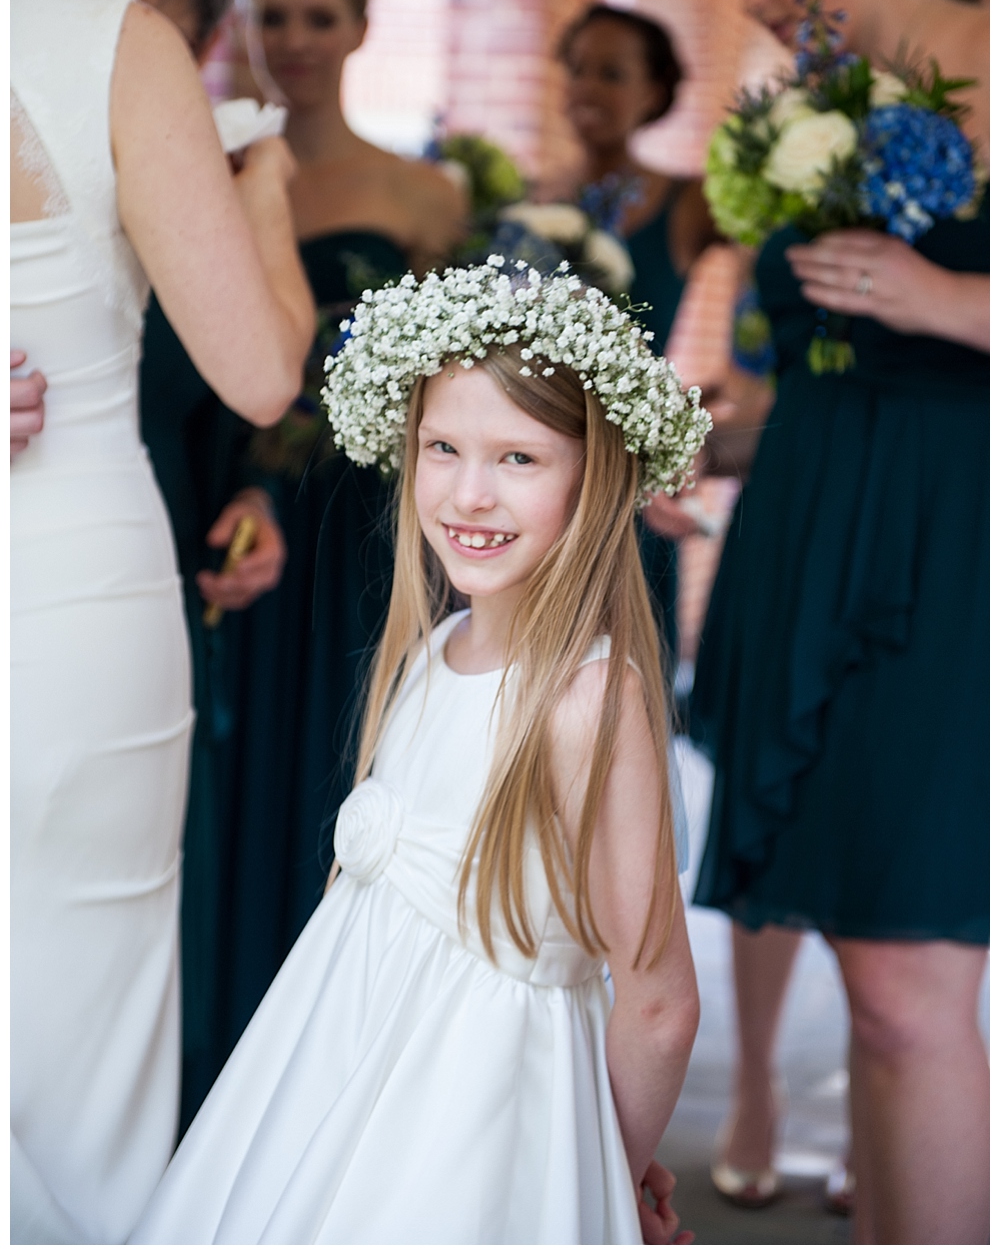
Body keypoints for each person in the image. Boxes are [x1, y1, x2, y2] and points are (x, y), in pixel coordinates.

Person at [132, 257, 704, 1243]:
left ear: (595, 472)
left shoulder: (582, 703)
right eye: (442, 447)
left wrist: (600, 1168)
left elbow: (657, 1003)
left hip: (482, 1140)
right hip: (333, 1080)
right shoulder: (435, 649)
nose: (469, 494)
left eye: (519, 460)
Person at [11, 0, 314, 1243]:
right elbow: (261, 369)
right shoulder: (114, 47)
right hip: (78, 598)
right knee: (95, 1037)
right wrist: (257, 199)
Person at [688, 0, 988, 1243]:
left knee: (909, 984)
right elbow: (810, 354)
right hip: (806, 534)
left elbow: (913, 321)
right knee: (871, 991)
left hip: (942, 551)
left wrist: (951, 306)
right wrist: (682, 443)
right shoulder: (817, 105)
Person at [206, 0, 467, 1064]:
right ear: (244, 26)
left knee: (342, 773)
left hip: (360, 528)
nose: (297, 40)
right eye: (275, 16)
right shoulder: (200, 169)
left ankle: (336, 1061)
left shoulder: (424, 198)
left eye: (320, 15)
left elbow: (446, 391)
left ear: (361, 25)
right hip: (226, 507)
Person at [61, 0, 291, 1132]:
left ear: (194, 39)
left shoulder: (233, 168)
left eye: (141, 24)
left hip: (172, 542)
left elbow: (265, 388)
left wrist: (254, 500)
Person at [543, 3, 721, 656]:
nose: (588, 88)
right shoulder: (528, 201)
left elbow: (775, 272)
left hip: (628, 481)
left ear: (652, 93)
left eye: (612, 74)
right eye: (579, 70)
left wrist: (730, 391)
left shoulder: (690, 201)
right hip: (537, 469)